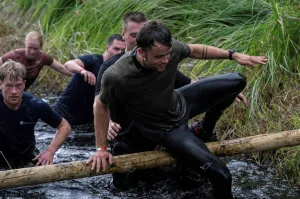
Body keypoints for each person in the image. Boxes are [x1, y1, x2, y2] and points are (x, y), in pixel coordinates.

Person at [87, 20, 268, 198]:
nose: (166, 60)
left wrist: (233, 55)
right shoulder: (117, 75)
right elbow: (100, 106)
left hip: (181, 101)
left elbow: (197, 50)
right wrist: (101, 149)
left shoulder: (169, 50)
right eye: (159, 57)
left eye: (167, 54)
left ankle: (204, 128)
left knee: (236, 81)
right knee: (222, 176)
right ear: (141, 52)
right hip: (167, 129)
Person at [93, 12, 195, 189]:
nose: (139, 38)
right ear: (123, 34)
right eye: (134, 35)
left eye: (143, 33)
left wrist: (217, 90)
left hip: (156, 137)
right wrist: (108, 124)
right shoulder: (112, 68)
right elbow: (99, 103)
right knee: (125, 190)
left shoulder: (159, 62)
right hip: (125, 139)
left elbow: (188, 84)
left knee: (170, 186)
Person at [0, 60, 71, 170]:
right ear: (1, 84)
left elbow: (64, 126)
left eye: (18, 85)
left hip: (27, 156)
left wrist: (50, 151)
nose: (14, 91)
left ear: (24, 84)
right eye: (9, 85)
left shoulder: (35, 104)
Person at [52, 34, 125, 126]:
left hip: (85, 121)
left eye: (122, 50)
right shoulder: (94, 60)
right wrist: (82, 71)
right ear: (107, 48)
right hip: (62, 113)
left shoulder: (120, 70)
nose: (119, 53)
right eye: (116, 49)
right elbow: (68, 64)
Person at [0, 31, 72, 90]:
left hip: (21, 94)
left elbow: (61, 68)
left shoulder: (43, 58)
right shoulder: (15, 55)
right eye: (29, 47)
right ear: (25, 45)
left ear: (41, 47)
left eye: (35, 49)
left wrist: (79, 75)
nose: (32, 52)